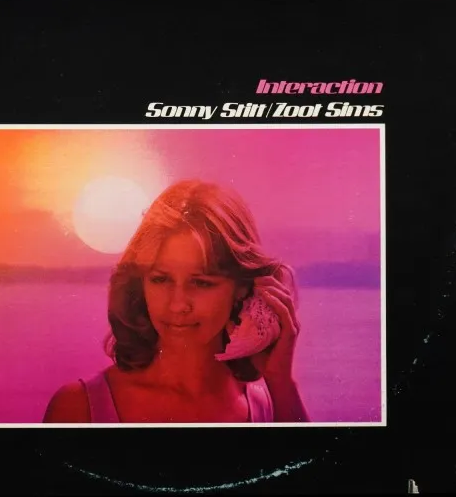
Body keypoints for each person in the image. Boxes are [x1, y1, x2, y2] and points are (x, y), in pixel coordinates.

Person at [43, 179, 309, 423]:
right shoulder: (79, 408)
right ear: (141, 284)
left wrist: (281, 382)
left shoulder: (272, 407)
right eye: (161, 279)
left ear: (242, 288)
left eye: (201, 282)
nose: (178, 305)